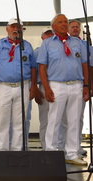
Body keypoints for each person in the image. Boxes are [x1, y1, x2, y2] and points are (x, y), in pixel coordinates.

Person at [37, 14, 89, 165]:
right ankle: (51, 153)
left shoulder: (78, 43)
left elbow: (84, 64)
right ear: (53, 26)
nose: (64, 24)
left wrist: (86, 85)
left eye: (65, 22)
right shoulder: (47, 44)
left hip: (76, 85)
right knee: (54, 120)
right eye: (60, 22)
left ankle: (72, 153)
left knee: (74, 120)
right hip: (56, 85)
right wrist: (46, 88)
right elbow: (42, 67)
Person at [0, 18, 37, 151]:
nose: (16, 29)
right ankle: (2, 152)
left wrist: (33, 87)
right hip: (3, 87)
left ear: (22, 29)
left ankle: (16, 152)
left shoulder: (27, 46)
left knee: (19, 122)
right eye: (13, 26)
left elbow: (33, 67)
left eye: (18, 27)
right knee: (2, 122)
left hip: (23, 87)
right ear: (7, 28)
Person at [57, 19, 88, 156]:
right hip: (61, 85)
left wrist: (88, 86)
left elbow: (88, 66)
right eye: (72, 27)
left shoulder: (85, 45)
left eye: (77, 27)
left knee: (77, 118)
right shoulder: (59, 43)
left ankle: (75, 147)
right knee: (62, 118)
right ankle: (62, 146)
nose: (75, 29)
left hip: (78, 85)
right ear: (68, 29)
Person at [34, 27, 54, 150]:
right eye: (46, 34)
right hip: (42, 85)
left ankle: (58, 146)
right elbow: (33, 72)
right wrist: (36, 90)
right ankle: (45, 146)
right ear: (42, 37)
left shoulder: (60, 48)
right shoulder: (37, 52)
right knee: (45, 118)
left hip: (59, 85)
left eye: (51, 34)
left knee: (59, 118)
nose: (49, 36)